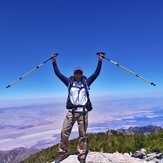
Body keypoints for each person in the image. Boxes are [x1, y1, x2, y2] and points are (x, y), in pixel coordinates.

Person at [51, 53, 104, 163]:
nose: (78, 74)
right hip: (72, 112)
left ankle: (81, 154)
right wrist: (54, 62)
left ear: (82, 74)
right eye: (76, 72)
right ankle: (63, 153)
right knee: (64, 132)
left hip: (83, 112)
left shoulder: (86, 82)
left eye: (80, 72)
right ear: (74, 74)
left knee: (83, 135)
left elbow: (96, 73)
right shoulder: (69, 82)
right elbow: (58, 74)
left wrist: (100, 60)